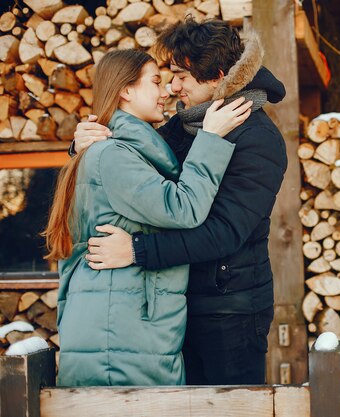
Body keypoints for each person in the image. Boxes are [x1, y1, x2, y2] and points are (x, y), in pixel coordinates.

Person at [72, 20, 288, 385]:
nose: (173, 88)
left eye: (181, 76)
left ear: (217, 76)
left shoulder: (259, 139)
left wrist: (138, 250)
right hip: (177, 307)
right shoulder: (186, 125)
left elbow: (224, 233)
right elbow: (131, 165)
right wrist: (84, 145)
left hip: (228, 312)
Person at [46, 48, 252, 386]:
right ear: (126, 91)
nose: (167, 90)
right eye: (155, 81)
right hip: (117, 337)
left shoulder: (130, 150)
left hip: (129, 330)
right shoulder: (113, 155)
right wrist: (211, 138)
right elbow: (183, 208)